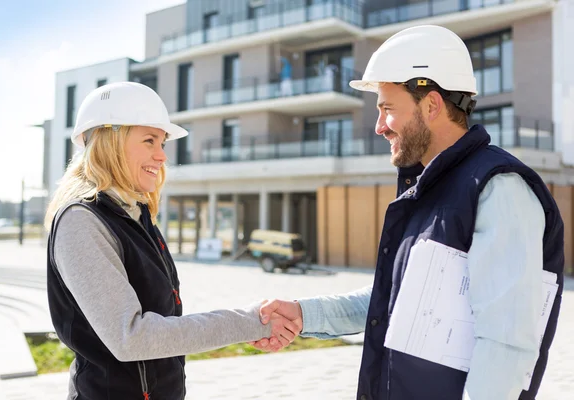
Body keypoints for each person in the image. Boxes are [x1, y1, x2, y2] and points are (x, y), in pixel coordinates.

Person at [252, 25, 564, 400]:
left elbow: (508, 344)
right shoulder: (427, 190)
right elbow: (394, 300)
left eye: (387, 109)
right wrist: (305, 314)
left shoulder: (498, 189)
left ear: (431, 105)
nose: (380, 126)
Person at [44, 82, 300, 400]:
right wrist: (249, 323)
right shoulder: (81, 222)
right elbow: (131, 338)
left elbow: (165, 325)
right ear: (110, 141)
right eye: (149, 140)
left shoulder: (137, 216)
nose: (162, 155)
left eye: (162, 142)